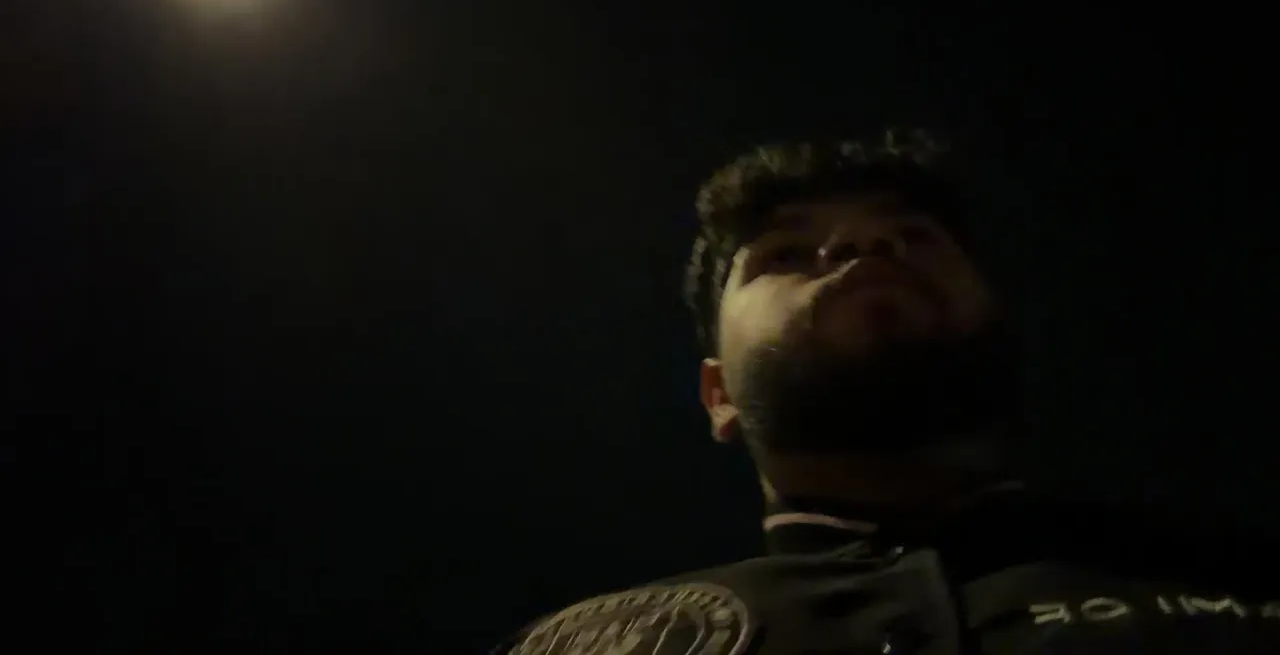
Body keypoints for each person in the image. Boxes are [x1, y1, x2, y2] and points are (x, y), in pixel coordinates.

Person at [491, 131, 1277, 654]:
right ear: (717, 393)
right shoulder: (581, 643)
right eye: (787, 252)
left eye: (915, 239)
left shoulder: (1241, 579)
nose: (866, 246)